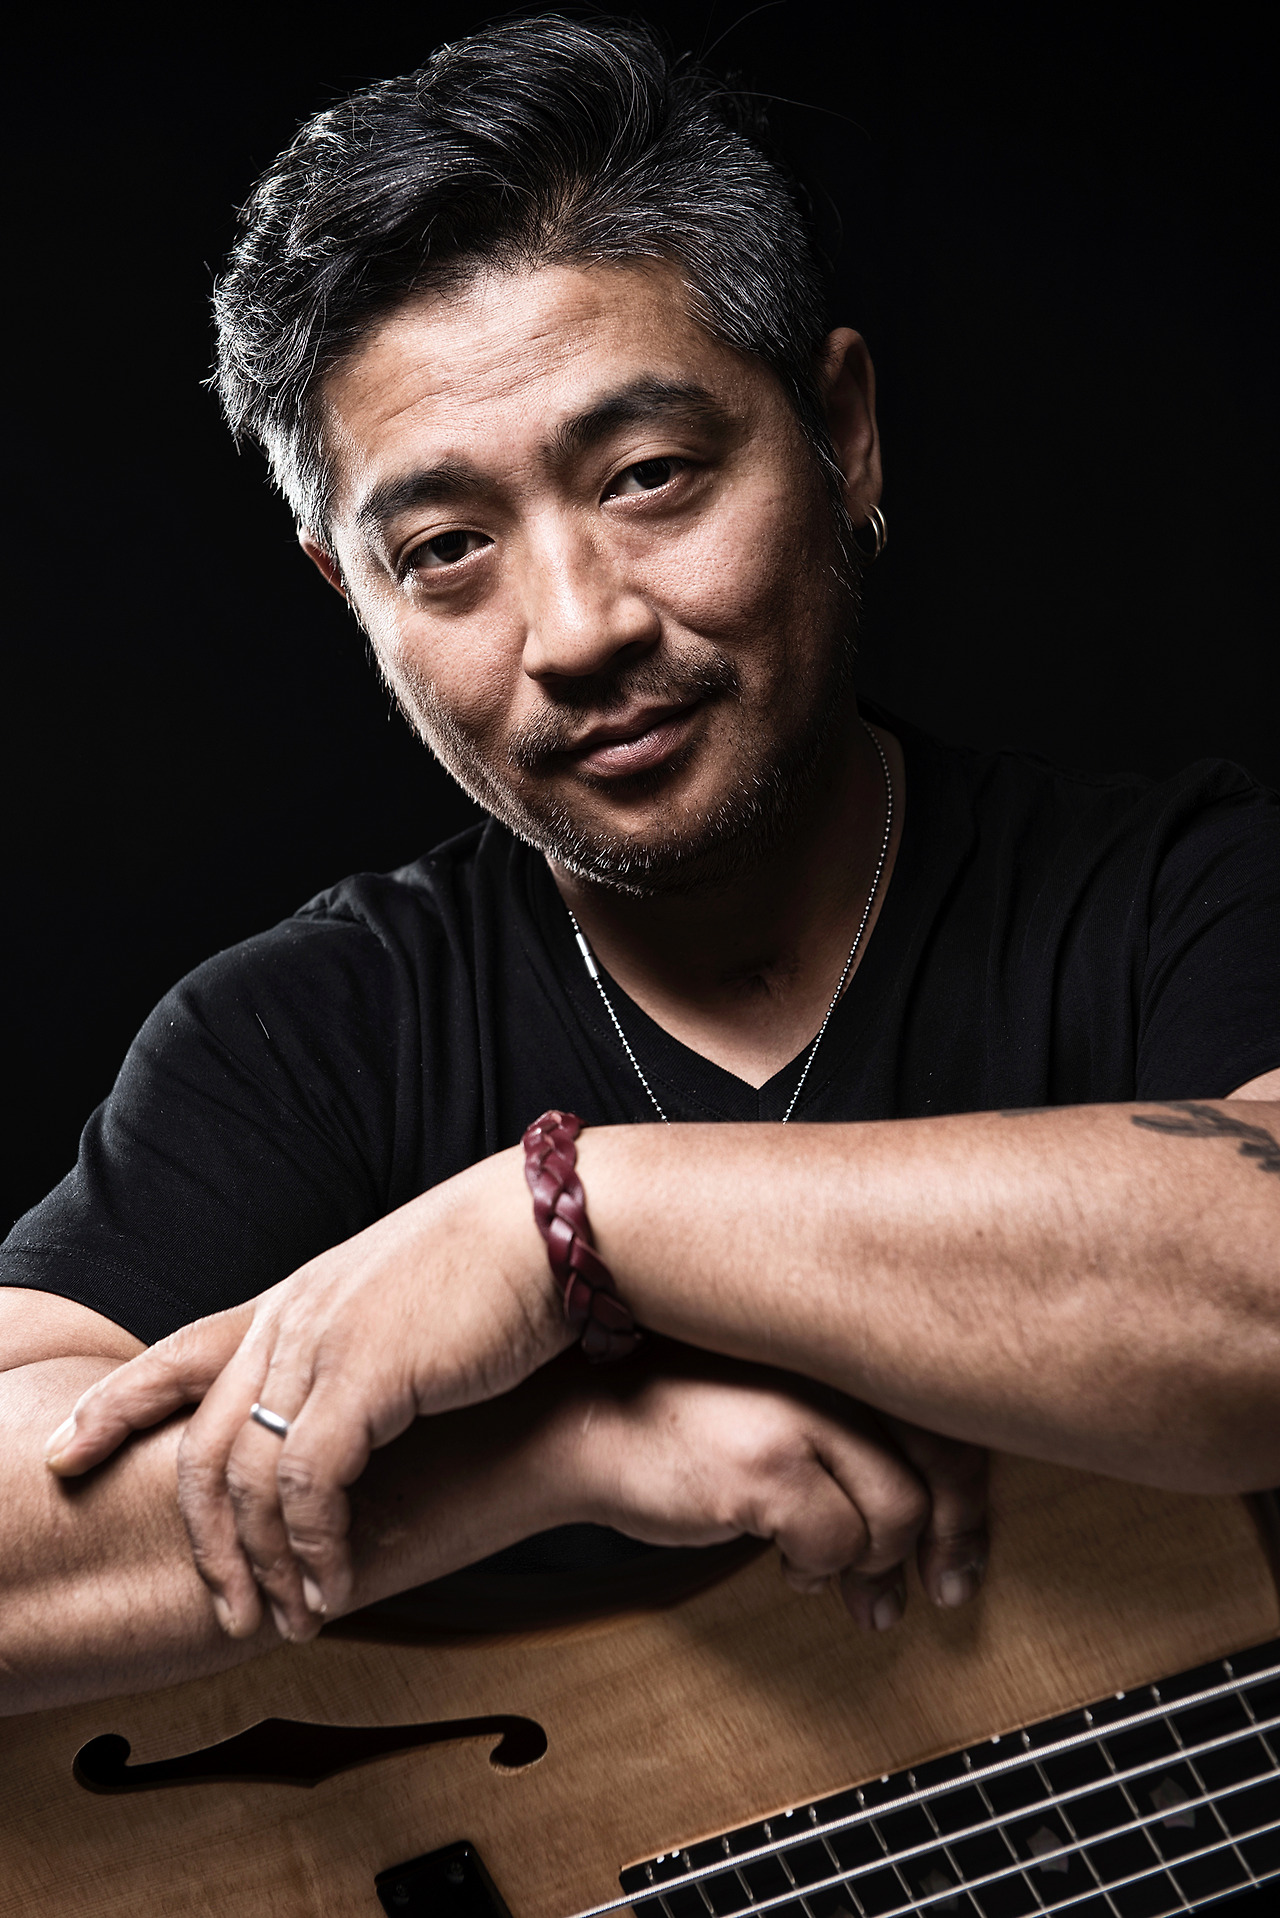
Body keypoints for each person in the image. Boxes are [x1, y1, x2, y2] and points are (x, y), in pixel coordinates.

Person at [2, 13, 1276, 1719]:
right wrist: (557, 1445)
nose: (577, 630)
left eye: (651, 475)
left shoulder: (1180, 894)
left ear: (842, 431)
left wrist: (560, 1224)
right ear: (350, 597)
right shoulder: (306, 1039)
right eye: (445, 549)